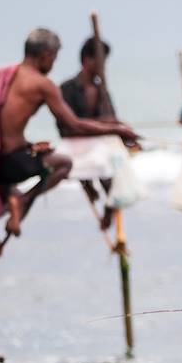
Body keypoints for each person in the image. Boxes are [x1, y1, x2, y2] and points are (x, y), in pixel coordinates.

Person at [0, 28, 138, 258]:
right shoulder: (43, 84)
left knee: (5, 190)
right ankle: (21, 200)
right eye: (55, 58)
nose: (54, 64)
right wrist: (117, 129)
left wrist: (30, 145)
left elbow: (1, 124)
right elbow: (74, 124)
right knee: (63, 164)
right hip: (12, 161)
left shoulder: (1, 75)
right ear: (46, 55)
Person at [58, 35, 130, 226]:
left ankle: (109, 207)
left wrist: (122, 131)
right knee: (96, 161)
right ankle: (89, 185)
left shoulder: (102, 90)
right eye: (101, 61)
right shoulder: (67, 88)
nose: (103, 66)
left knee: (114, 168)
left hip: (99, 143)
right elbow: (66, 127)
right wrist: (104, 125)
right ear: (87, 60)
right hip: (76, 143)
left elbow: (112, 120)